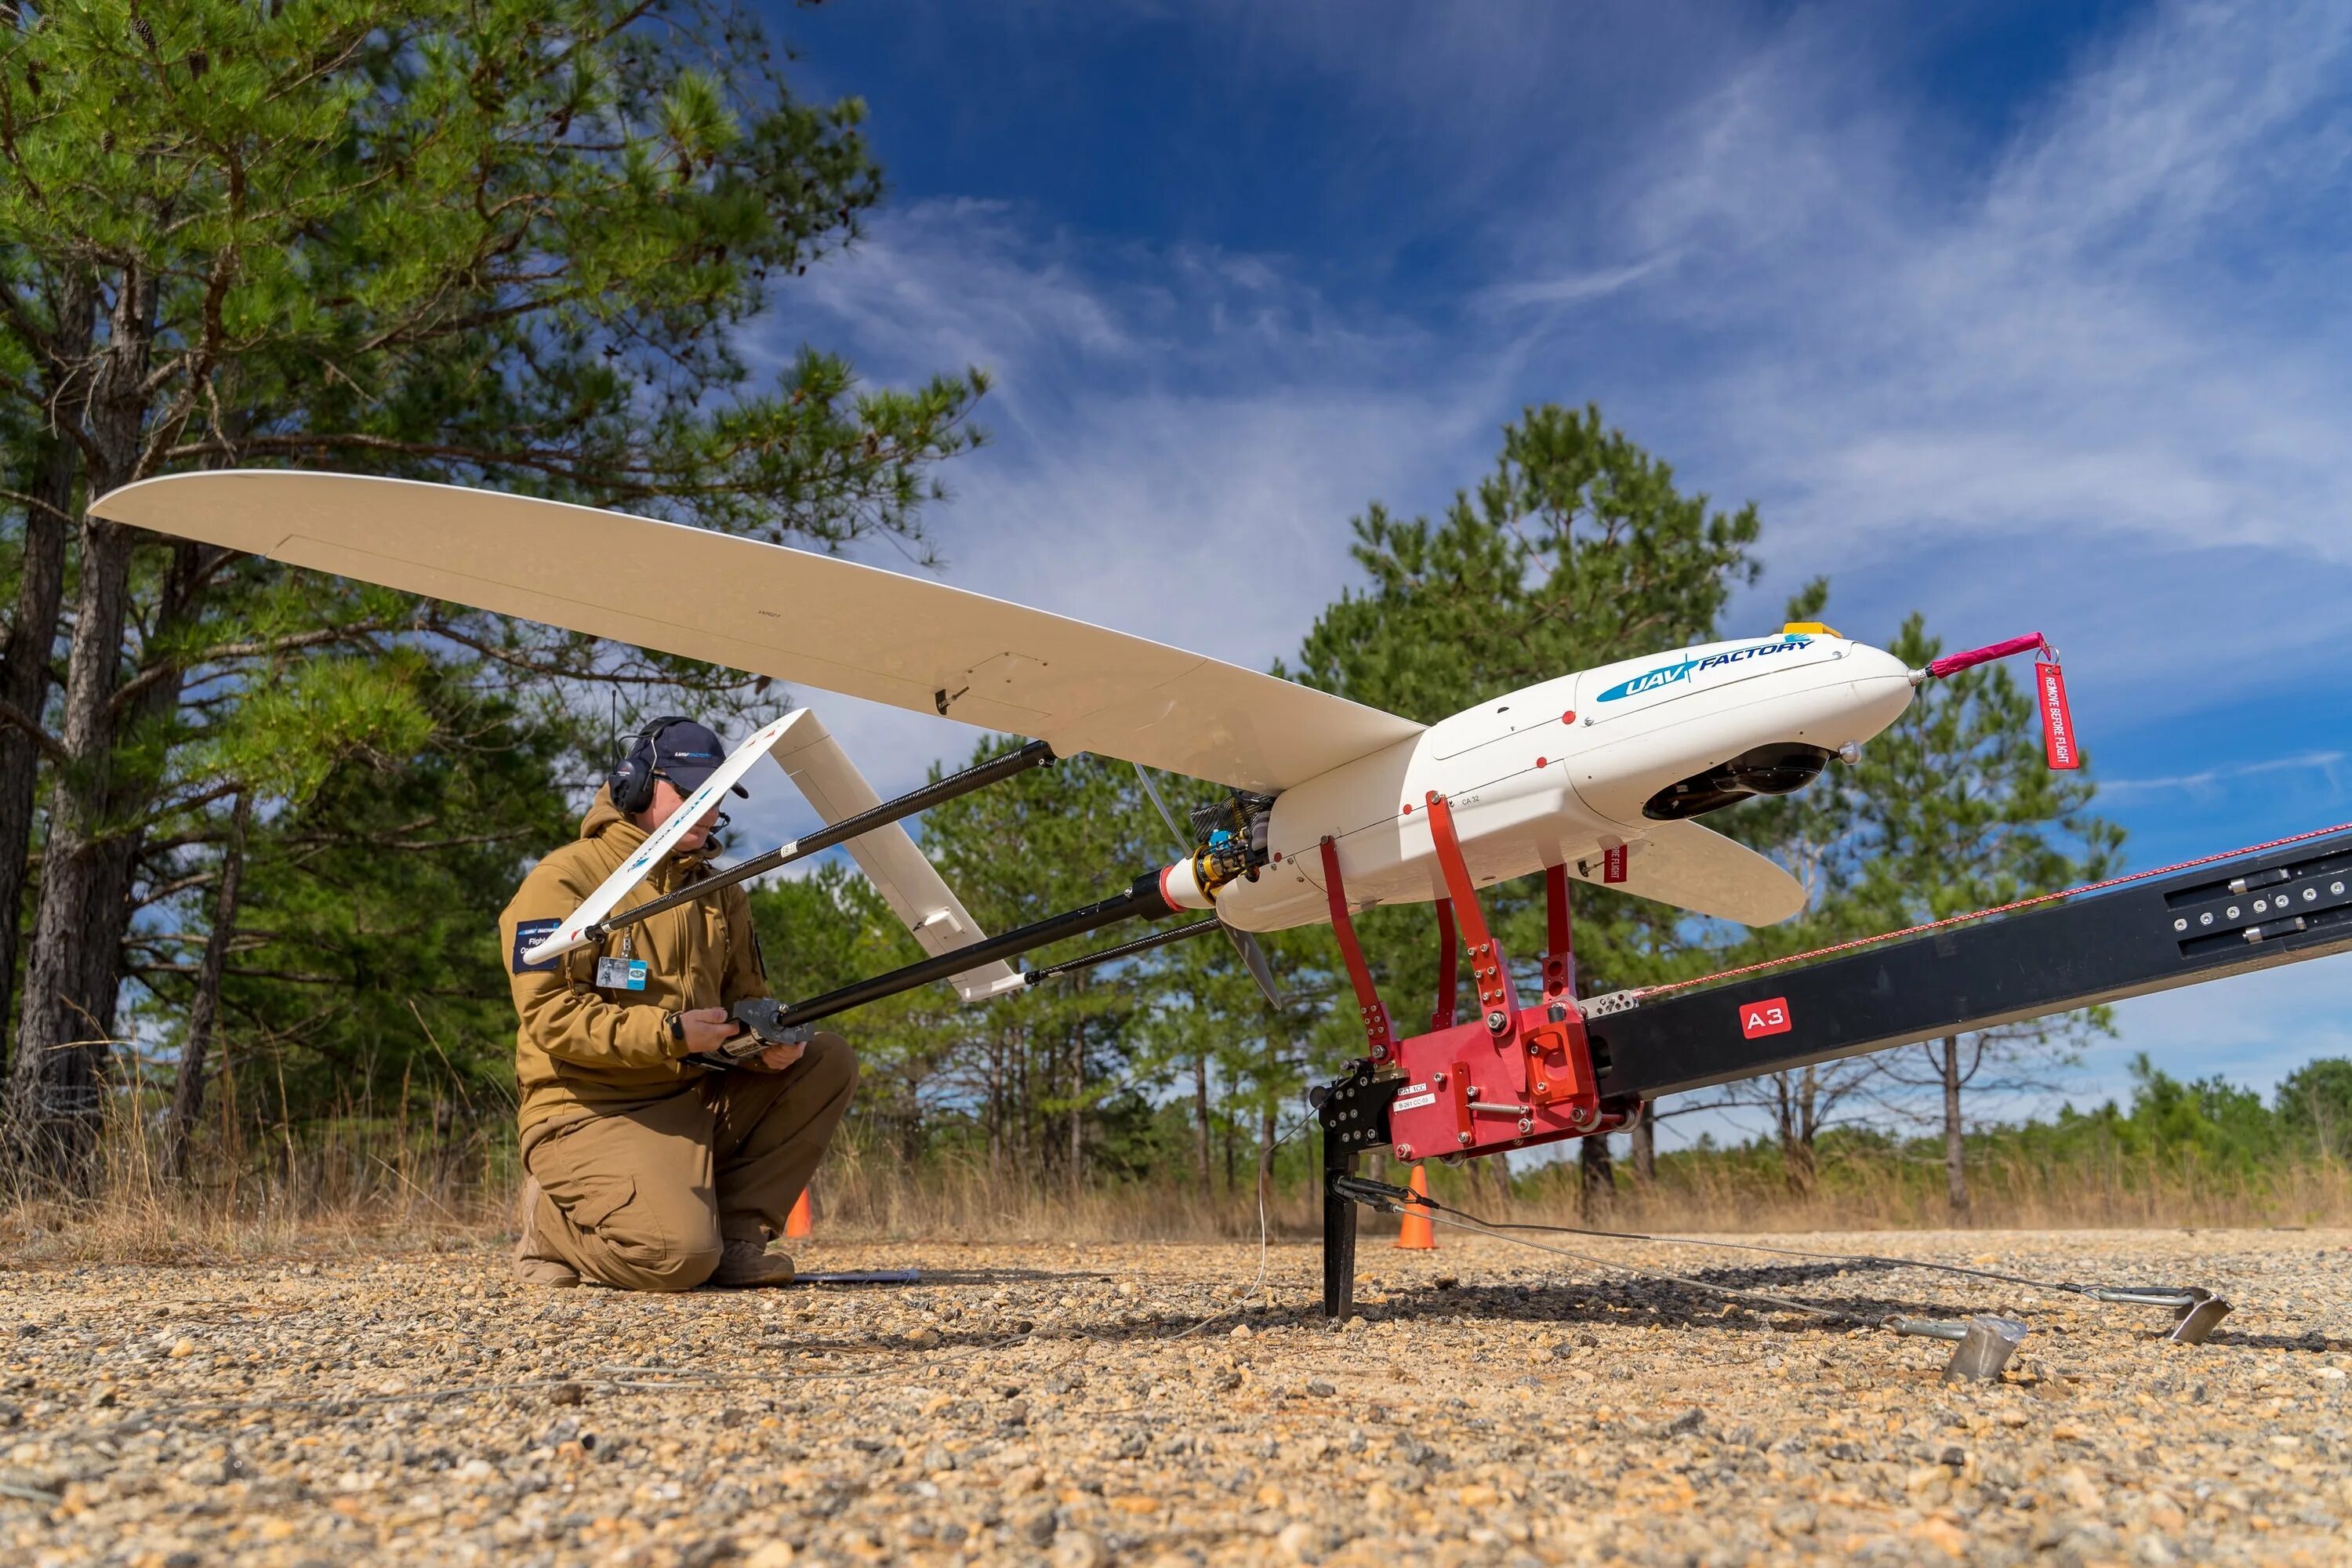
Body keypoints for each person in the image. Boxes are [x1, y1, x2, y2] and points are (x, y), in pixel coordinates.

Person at [499, 717, 856, 1290]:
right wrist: (672, 1033)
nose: (706, 808)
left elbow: (748, 1000)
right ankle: (551, 1226)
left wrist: (766, 1043)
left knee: (825, 1057)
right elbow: (550, 1017)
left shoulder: (720, 891)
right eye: (689, 792)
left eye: (715, 794)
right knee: (676, 1260)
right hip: (590, 1110)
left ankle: (737, 1235)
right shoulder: (563, 880)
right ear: (636, 786)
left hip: (693, 1099)